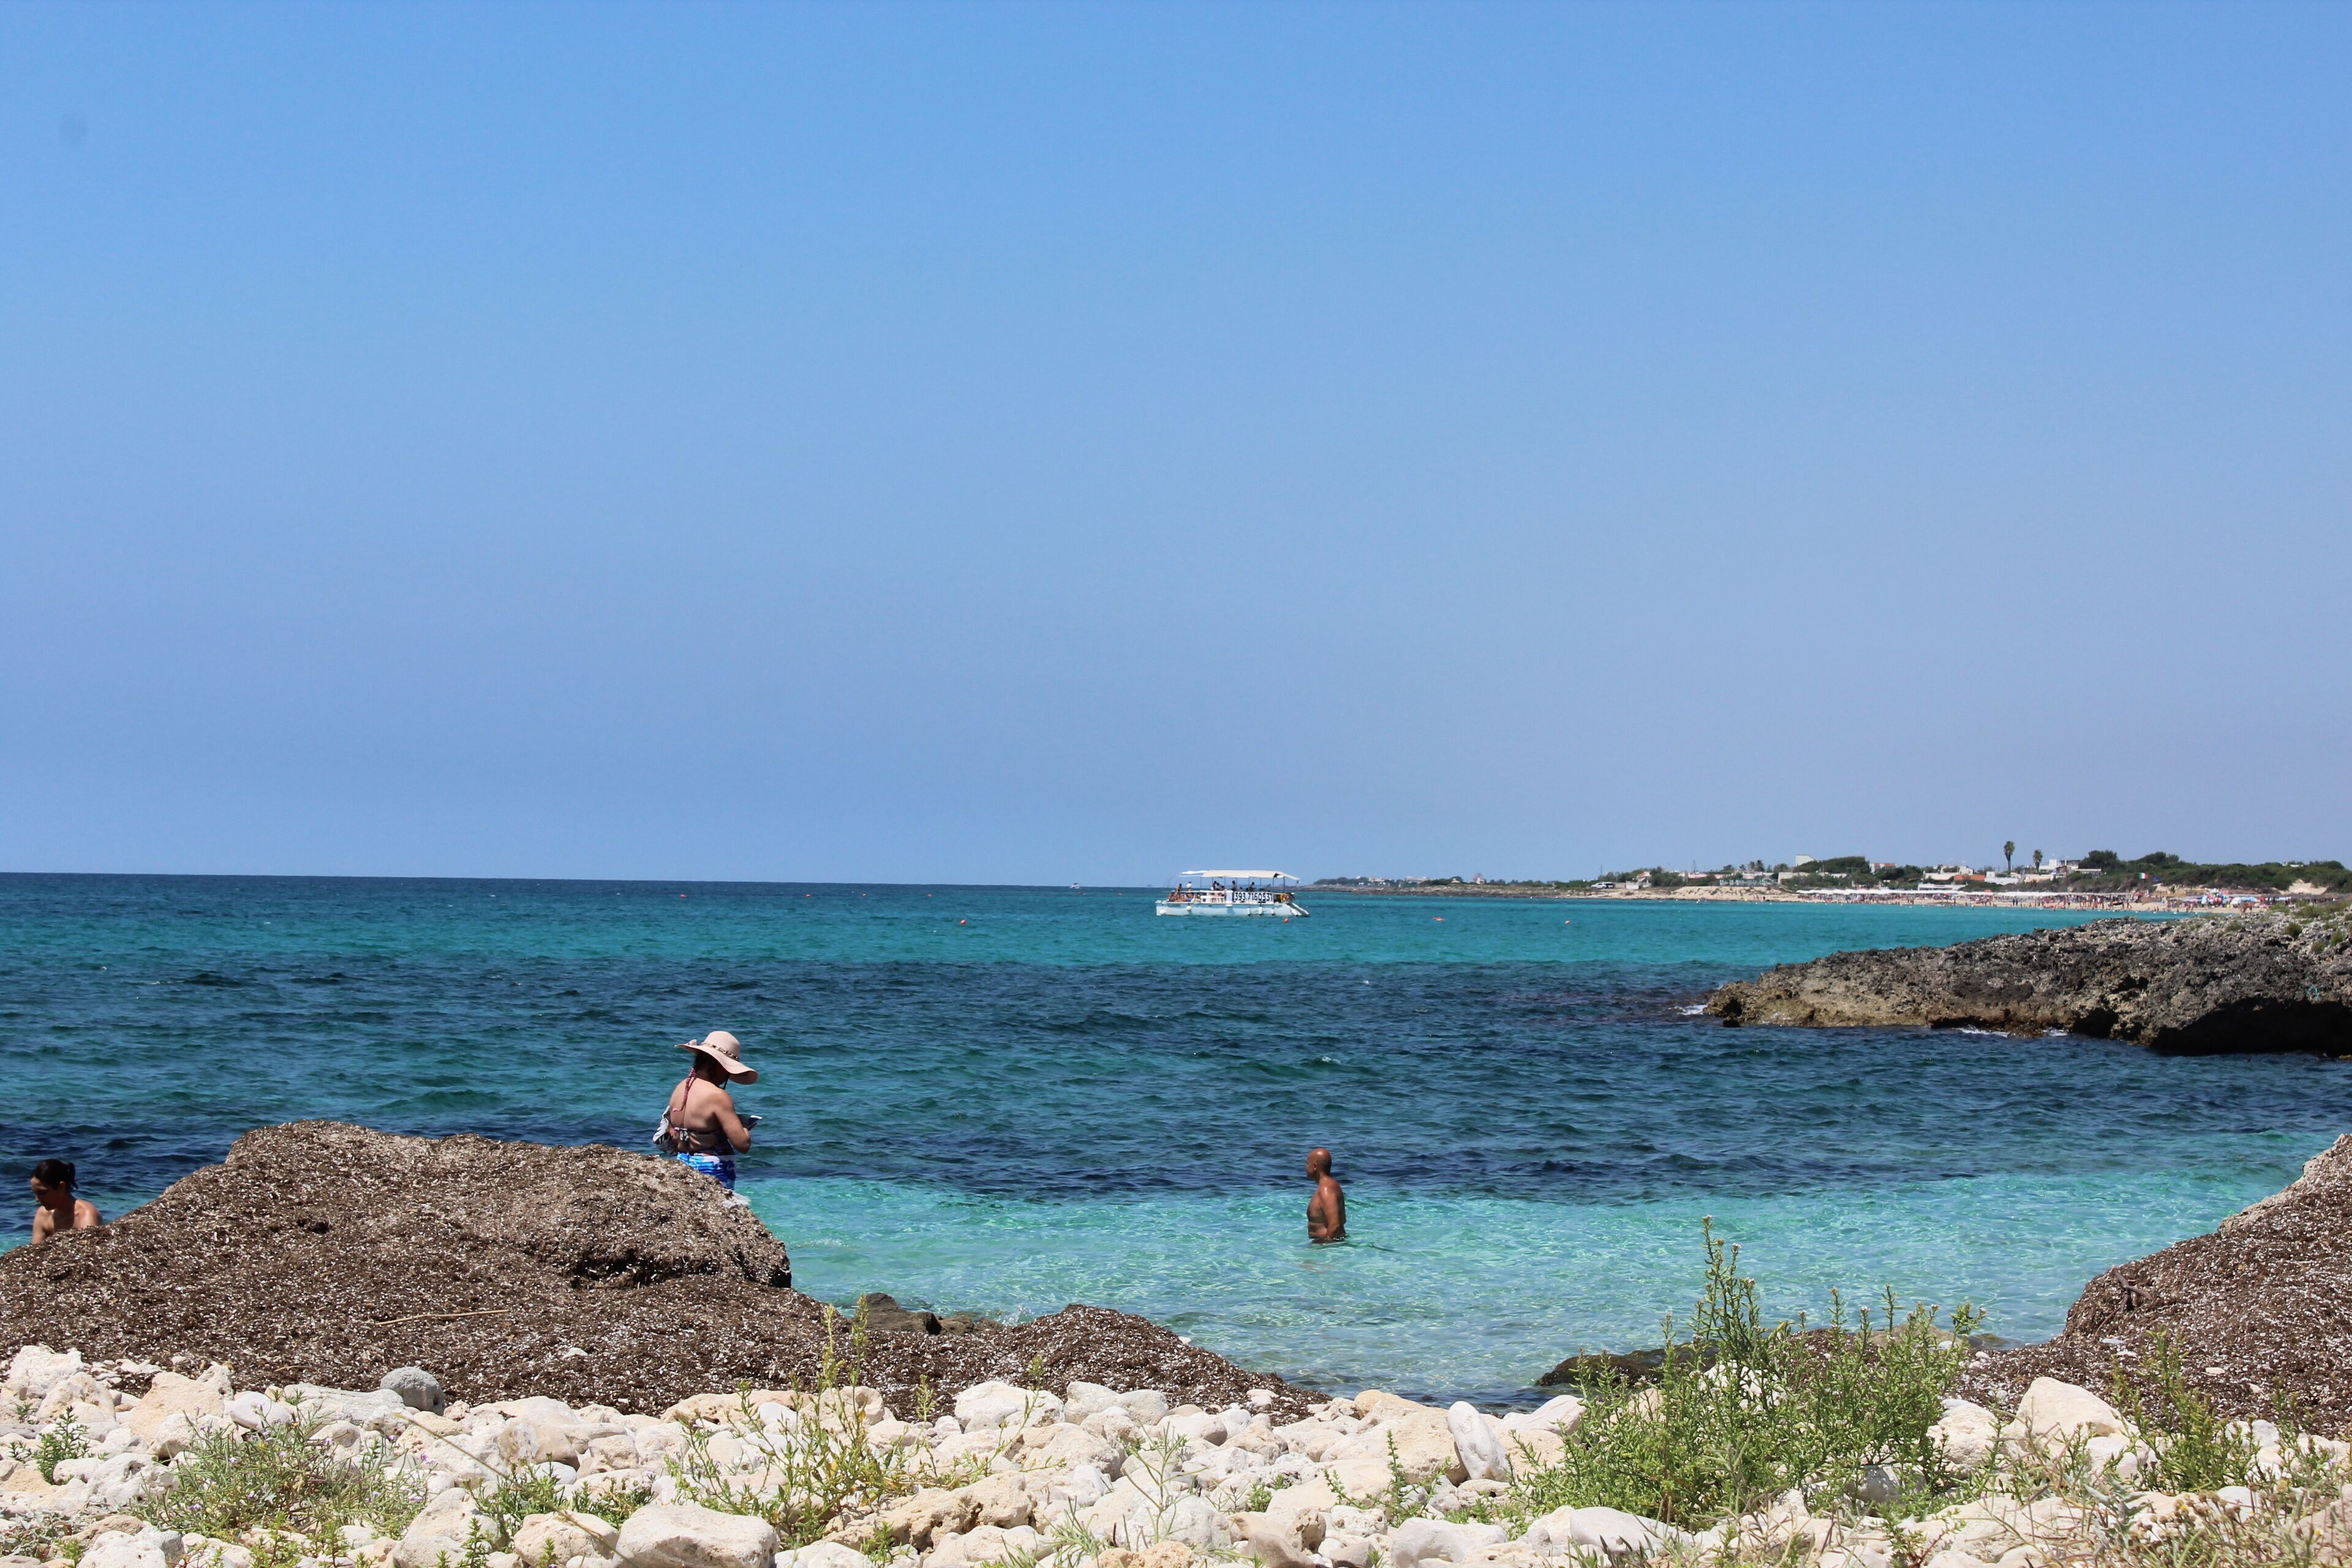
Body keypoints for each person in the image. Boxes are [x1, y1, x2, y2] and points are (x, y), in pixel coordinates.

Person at [658, 1031, 756, 1189]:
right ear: (718, 1066)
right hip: (712, 1169)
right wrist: (743, 1124)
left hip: (683, 1163)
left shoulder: (681, 1088)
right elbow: (742, 1145)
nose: (727, 1077)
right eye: (727, 1070)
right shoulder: (718, 1096)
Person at [28, 1159, 101, 1243]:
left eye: (42, 1192)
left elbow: (90, 1249)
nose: (37, 1199)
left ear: (61, 1187)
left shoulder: (86, 1214)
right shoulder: (42, 1215)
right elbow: (36, 1250)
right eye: (35, 1193)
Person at [1305, 1147, 1346, 1243]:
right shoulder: (1325, 1187)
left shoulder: (1327, 1189)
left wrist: (1325, 1250)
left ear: (1315, 1166)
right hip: (1325, 1245)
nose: (1306, 1167)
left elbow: (1335, 1225)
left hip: (1328, 1246)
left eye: (1307, 1163)